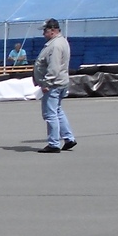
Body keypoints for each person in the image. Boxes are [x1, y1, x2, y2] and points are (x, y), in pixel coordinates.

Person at [32, 18, 76, 153]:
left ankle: (54, 143)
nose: (43, 34)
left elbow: (54, 67)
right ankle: (68, 138)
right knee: (57, 111)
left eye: (45, 31)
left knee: (50, 114)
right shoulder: (61, 42)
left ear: (52, 30)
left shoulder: (55, 45)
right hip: (60, 82)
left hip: (54, 84)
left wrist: (46, 83)